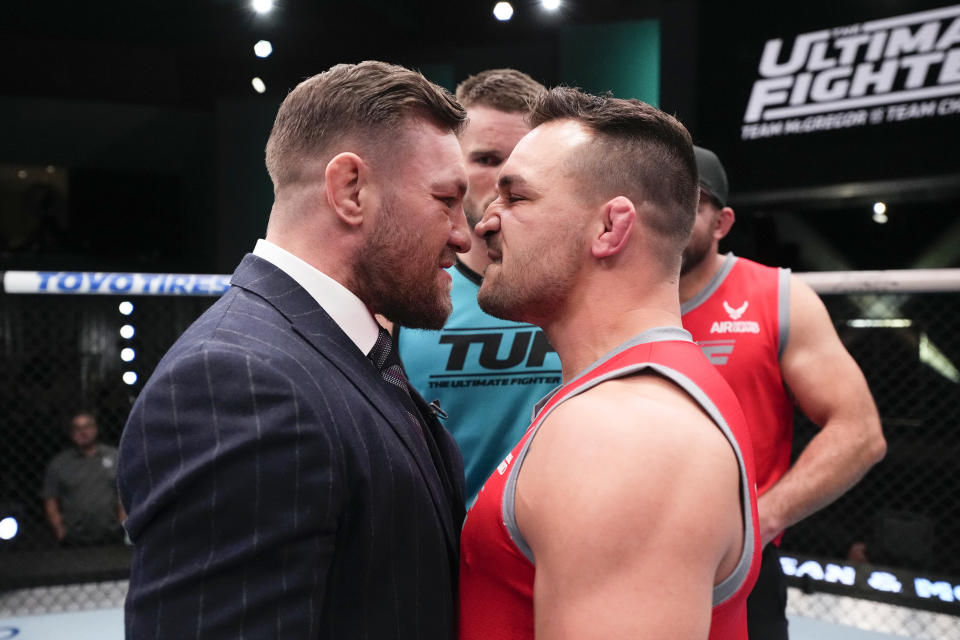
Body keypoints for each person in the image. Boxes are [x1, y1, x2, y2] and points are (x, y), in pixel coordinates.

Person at [118, 61, 471, 639]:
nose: (464, 232)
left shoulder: (333, 351)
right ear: (350, 190)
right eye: (446, 199)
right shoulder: (239, 382)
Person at [459, 87, 761, 639]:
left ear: (610, 228)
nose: (485, 223)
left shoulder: (626, 433)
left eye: (517, 198)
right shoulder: (622, 400)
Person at [680, 145, 887, 638]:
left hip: (737, 567)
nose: (663, 212)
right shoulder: (605, 296)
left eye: (684, 201)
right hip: (621, 555)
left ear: (721, 223)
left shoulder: (775, 296)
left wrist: (762, 521)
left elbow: (859, 432)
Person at [397, 68, 561, 504]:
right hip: (442, 557)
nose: (505, 180)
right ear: (455, 166)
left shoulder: (587, 292)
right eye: (487, 160)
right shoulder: (403, 301)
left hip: (557, 556)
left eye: (523, 163)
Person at [42, 411, 124, 546]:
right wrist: (59, 529)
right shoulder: (60, 463)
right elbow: (50, 499)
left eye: (87, 427)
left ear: (95, 429)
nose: (82, 432)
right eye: (77, 428)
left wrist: (123, 523)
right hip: (74, 538)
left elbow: (124, 493)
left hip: (112, 535)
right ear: (71, 432)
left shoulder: (114, 457)